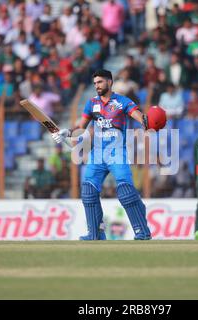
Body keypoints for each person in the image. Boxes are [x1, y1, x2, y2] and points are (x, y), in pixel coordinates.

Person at [51, 69, 151, 240]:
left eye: (100, 82)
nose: (96, 86)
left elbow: (137, 115)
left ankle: (142, 232)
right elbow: (81, 126)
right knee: (88, 191)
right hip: (97, 154)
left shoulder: (122, 101)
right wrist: (66, 132)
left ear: (110, 82)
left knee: (126, 191)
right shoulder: (91, 103)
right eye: (95, 83)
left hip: (117, 152)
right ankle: (96, 233)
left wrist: (145, 121)